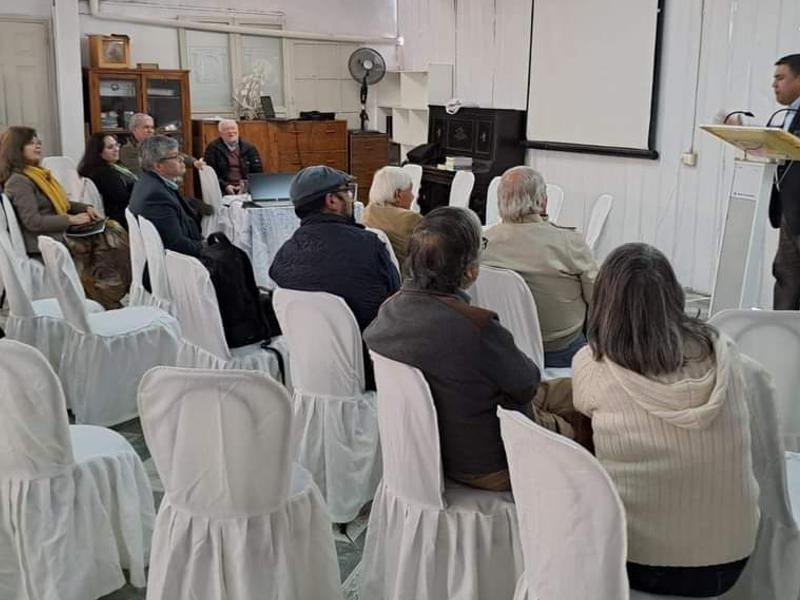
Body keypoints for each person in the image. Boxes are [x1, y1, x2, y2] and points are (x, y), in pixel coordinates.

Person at [572, 243, 760, 598]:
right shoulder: (726, 355)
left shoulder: (592, 365)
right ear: (675, 295)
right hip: (733, 559)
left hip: (641, 562)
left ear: (604, 303)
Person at [365, 206, 591, 492]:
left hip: (431, 448)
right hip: (490, 460)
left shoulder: (389, 313)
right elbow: (526, 383)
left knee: (577, 389)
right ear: (471, 271)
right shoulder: (476, 326)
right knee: (585, 420)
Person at [270, 165, 400, 391]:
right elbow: (396, 303)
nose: (350, 198)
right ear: (331, 200)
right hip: (371, 371)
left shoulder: (284, 254)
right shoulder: (369, 245)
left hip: (310, 372)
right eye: (347, 192)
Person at [0, 126, 131, 308]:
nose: (38, 146)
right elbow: (33, 222)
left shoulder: (37, 174)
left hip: (55, 232)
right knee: (111, 238)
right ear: (16, 148)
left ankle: (104, 292)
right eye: (31, 143)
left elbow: (62, 203)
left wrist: (86, 207)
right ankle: (103, 295)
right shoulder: (19, 181)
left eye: (38, 142)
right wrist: (71, 219)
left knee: (111, 230)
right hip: (45, 240)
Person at [481, 166, 597, 368]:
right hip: (560, 351)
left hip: (500, 348)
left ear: (500, 201)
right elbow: (598, 297)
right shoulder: (568, 242)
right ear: (543, 201)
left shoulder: (481, 244)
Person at [128, 135, 203, 258]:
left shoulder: (150, 181)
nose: (181, 159)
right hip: (178, 262)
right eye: (175, 156)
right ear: (158, 166)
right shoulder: (155, 196)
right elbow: (176, 244)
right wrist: (206, 247)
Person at [769, 54, 800, 309]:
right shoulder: (788, 113)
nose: (774, 84)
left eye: (780, 78)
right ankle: (779, 327)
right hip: (789, 211)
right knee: (785, 274)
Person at [362, 166, 422, 276]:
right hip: (405, 278)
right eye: (410, 191)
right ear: (398, 194)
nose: (413, 196)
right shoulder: (411, 219)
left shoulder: (367, 212)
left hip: (376, 275)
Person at [77, 132, 137, 228]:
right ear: (98, 152)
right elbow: (122, 199)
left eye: (116, 145)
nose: (116, 149)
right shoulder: (104, 173)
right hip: (120, 220)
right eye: (110, 147)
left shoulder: (112, 167)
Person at [119, 112, 204, 176]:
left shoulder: (155, 143)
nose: (150, 131)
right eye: (146, 127)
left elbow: (175, 155)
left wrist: (194, 162)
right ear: (134, 129)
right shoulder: (127, 150)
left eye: (152, 127)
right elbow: (140, 173)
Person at [202, 119, 263, 195]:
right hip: (221, 190)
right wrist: (225, 186)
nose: (230, 132)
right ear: (221, 133)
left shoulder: (249, 148)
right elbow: (210, 174)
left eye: (233, 128)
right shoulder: (213, 148)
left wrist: (246, 186)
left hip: (247, 189)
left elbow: (258, 172)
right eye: (226, 129)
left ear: (238, 130)